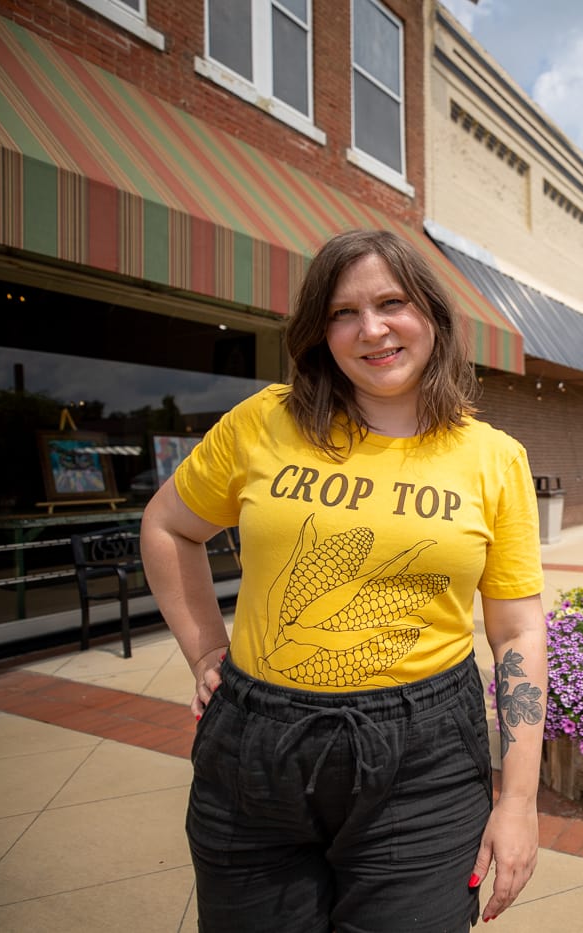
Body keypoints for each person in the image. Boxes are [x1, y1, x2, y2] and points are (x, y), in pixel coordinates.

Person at [141, 228, 547, 931]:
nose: (372, 329)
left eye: (392, 302)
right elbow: (169, 523)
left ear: (432, 316)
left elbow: (517, 629)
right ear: (319, 331)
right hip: (255, 753)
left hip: (423, 763)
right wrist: (207, 650)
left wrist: (519, 800)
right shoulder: (265, 421)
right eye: (343, 312)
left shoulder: (493, 457)